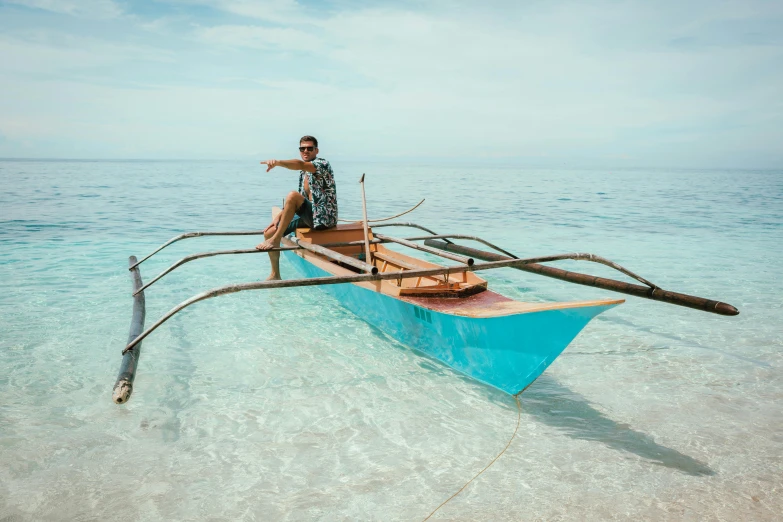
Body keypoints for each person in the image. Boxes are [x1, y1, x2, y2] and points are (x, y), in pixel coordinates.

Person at [255, 135, 338, 280]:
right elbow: (302, 199)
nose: (306, 151)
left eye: (309, 148)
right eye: (302, 148)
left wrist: (278, 163)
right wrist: (279, 217)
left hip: (324, 218)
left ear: (316, 150)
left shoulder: (322, 164)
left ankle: (276, 239)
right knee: (269, 232)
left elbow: (299, 165)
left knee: (292, 195)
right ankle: (275, 274)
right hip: (309, 216)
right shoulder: (303, 173)